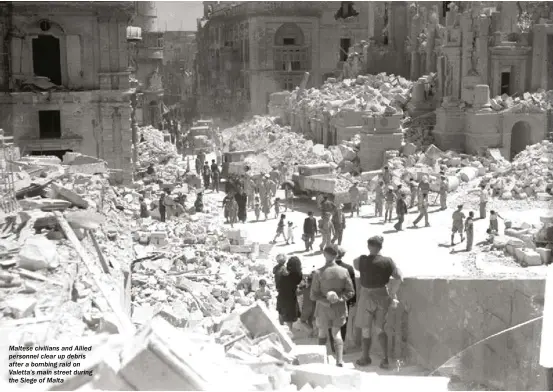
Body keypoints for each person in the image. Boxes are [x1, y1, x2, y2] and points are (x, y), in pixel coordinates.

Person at [354, 235, 403, 369]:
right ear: (381, 247)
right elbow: (399, 276)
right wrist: (392, 293)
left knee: (366, 329)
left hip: (366, 296)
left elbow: (355, 263)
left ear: (369, 246)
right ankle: (385, 359)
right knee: (380, 329)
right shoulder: (388, 261)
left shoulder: (362, 260)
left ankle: (365, 357)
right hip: (382, 295)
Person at [311, 246, 355, 367]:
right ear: (336, 255)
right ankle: (339, 360)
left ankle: (321, 360)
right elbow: (351, 292)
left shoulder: (318, 272)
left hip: (323, 308)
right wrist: (340, 299)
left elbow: (313, 295)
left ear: (324, 254)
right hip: (339, 307)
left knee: (322, 333)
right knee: (337, 333)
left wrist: (324, 301)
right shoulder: (344, 271)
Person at [328, 246, 356, 354]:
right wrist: (353, 300)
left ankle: (333, 346)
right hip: (344, 299)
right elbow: (352, 286)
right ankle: (341, 346)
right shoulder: (348, 268)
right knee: (343, 323)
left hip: (329, 299)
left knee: (331, 323)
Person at [276, 256, 303, 330]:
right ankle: (289, 331)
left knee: (281, 312)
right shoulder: (298, 275)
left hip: (282, 296)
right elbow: (298, 283)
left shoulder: (282, 274)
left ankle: (281, 330)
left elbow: (278, 285)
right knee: (290, 317)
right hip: (291, 297)